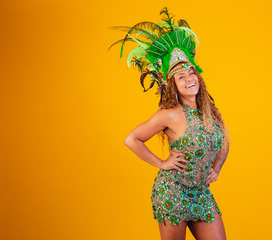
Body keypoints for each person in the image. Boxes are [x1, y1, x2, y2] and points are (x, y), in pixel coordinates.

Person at [109, 7, 230, 240]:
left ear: (198, 76)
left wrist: (217, 168)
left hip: (201, 194)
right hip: (173, 192)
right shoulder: (170, 114)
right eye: (181, 77)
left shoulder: (210, 111)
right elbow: (131, 139)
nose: (188, 79)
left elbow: (224, 142)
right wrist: (162, 163)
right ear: (172, 84)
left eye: (191, 73)